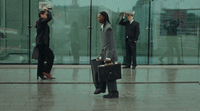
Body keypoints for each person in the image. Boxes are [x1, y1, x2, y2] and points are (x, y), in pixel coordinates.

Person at [95, 11, 119, 98]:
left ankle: (113, 92)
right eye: (97, 17)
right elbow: (104, 44)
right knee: (108, 74)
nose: (98, 18)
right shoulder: (103, 27)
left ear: (104, 17)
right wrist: (101, 55)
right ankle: (111, 92)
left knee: (110, 74)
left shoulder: (108, 28)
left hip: (110, 55)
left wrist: (108, 57)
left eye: (99, 17)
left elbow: (111, 44)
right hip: (106, 54)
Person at [35, 6, 55, 79]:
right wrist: (48, 11)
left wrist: (48, 11)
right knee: (51, 56)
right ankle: (46, 71)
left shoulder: (41, 22)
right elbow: (49, 18)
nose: (46, 16)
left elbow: (51, 20)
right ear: (41, 15)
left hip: (41, 43)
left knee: (42, 59)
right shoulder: (41, 21)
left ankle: (41, 74)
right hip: (42, 43)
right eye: (45, 14)